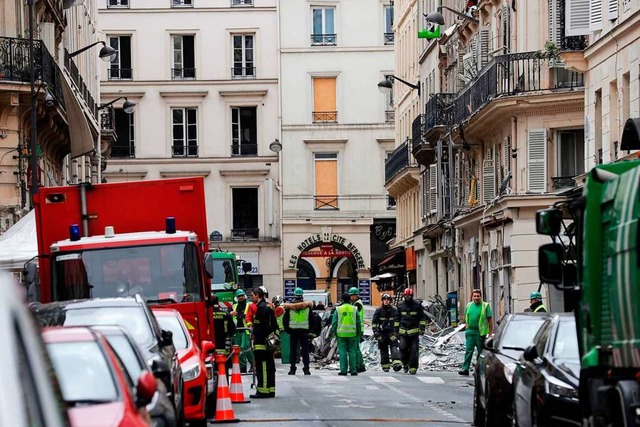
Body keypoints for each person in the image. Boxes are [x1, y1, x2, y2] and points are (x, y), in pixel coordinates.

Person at [249, 287, 277, 398]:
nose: (252, 298)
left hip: (261, 343)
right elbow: (274, 325)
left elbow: (260, 327)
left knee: (263, 367)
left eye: (252, 295)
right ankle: (271, 390)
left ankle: (263, 391)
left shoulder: (260, 308)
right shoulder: (269, 307)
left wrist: (254, 332)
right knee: (270, 367)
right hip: (269, 342)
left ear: (257, 295)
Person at [458, 288, 494, 376]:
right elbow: (467, 317)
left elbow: (490, 320)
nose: (476, 298)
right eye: (475, 296)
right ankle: (465, 369)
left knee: (480, 352)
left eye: (478, 296)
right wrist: (467, 328)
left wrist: (490, 333)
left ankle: (478, 370)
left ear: (481, 297)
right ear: (472, 297)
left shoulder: (485, 306)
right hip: (470, 332)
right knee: (468, 351)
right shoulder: (469, 305)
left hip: (480, 333)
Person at [283, 287, 313, 375]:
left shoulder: (289, 307)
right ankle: (306, 369)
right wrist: (308, 330)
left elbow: (285, 320)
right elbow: (311, 319)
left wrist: (288, 330)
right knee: (305, 351)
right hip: (304, 331)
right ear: (302, 295)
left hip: (293, 331)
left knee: (293, 350)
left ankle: (292, 369)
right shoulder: (307, 307)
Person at [396, 288, 426, 374]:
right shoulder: (400, 305)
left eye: (409, 296)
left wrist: (422, 328)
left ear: (412, 296)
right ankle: (405, 364)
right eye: (406, 296)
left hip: (414, 332)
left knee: (414, 350)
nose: (407, 297)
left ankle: (413, 367)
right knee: (402, 348)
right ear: (404, 296)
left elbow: (422, 317)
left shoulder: (417, 305)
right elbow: (397, 319)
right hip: (403, 332)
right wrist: (395, 331)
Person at [332, 292, 361, 376]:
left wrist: (335, 333)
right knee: (352, 352)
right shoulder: (354, 309)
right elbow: (358, 322)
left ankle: (343, 370)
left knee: (342, 353)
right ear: (349, 299)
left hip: (341, 335)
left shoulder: (338, 309)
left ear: (342, 300)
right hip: (353, 334)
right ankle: (353, 370)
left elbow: (334, 323)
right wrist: (358, 333)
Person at [372, 293, 402, 372]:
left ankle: (396, 364)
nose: (386, 301)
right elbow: (374, 322)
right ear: (382, 301)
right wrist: (375, 331)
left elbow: (398, 321)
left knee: (394, 347)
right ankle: (385, 366)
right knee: (383, 349)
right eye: (384, 300)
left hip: (392, 333)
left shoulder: (394, 310)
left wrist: (397, 332)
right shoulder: (378, 311)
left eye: (388, 300)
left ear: (390, 301)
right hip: (382, 334)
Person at [230, 289, 253, 373]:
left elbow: (250, 315)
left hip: (246, 330)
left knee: (245, 348)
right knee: (239, 349)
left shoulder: (249, 305)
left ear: (245, 296)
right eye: (239, 296)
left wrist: (239, 314)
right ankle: (243, 368)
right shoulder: (234, 306)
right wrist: (231, 313)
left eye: (242, 295)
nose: (241, 297)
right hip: (237, 331)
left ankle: (252, 364)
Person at [348, 287, 366, 373]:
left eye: (352, 295)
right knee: (356, 348)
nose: (351, 297)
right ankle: (361, 365)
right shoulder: (357, 303)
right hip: (358, 329)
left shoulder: (357, 304)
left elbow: (354, 316)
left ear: (355, 295)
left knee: (355, 349)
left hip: (357, 329)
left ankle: (358, 366)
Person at [272, 295, 289, 363]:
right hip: (282, 327)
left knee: (278, 342)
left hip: (280, 328)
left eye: (275, 302)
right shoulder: (282, 307)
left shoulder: (279, 308)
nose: (274, 304)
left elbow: (274, 315)